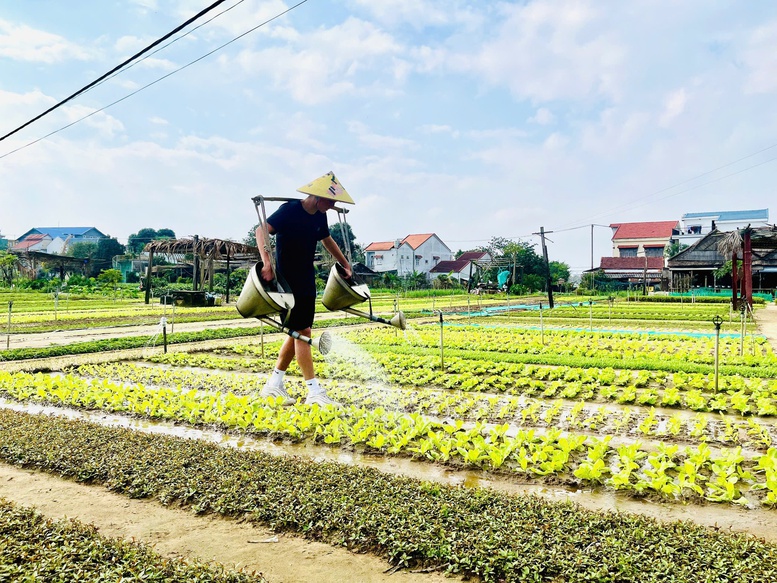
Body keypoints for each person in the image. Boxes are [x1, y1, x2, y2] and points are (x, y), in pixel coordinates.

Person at [257, 172, 354, 407]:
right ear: (317, 197)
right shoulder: (290, 210)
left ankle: (273, 385)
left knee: (298, 331)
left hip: (306, 279)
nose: (332, 206)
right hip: (288, 281)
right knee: (303, 333)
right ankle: (314, 391)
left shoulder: (319, 216)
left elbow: (327, 239)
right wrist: (267, 263)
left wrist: (344, 262)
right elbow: (261, 231)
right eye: (330, 201)